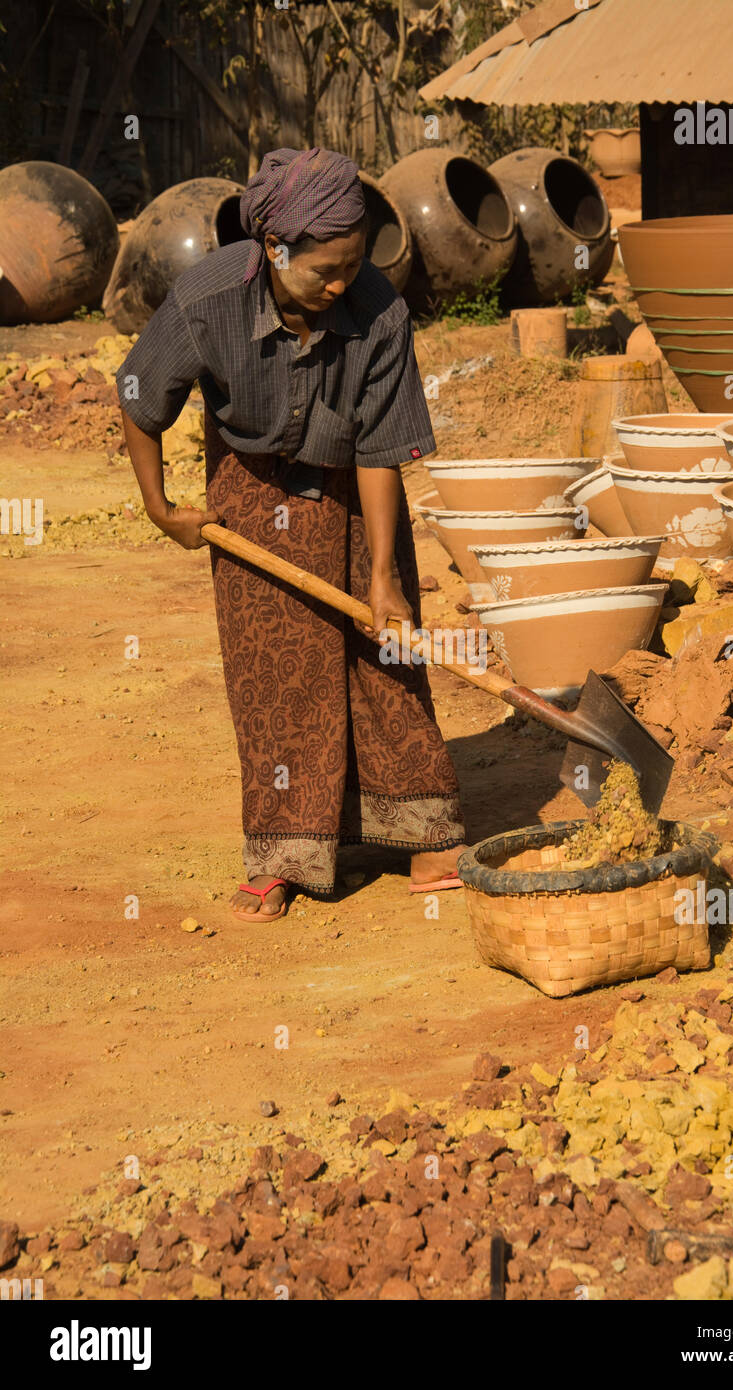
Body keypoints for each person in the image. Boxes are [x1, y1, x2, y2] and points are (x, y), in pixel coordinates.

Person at [117, 146, 465, 921]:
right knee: (275, 674)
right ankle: (285, 854)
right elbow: (140, 396)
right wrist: (159, 506)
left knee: (386, 652)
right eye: (324, 272)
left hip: (351, 489)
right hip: (249, 486)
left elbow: (381, 450)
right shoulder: (208, 298)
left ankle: (422, 830)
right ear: (274, 250)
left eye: (352, 266)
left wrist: (382, 574)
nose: (341, 285)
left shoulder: (380, 309)